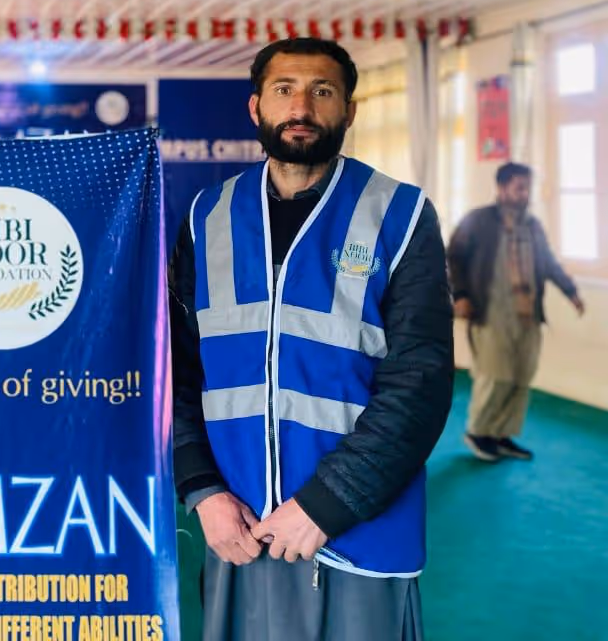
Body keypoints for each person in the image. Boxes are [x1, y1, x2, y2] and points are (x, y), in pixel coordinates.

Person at [170, 38, 454, 641]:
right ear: (256, 107)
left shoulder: (400, 214)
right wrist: (202, 491)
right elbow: (180, 373)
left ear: (349, 110)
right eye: (284, 90)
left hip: (357, 530)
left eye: (322, 91)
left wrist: (326, 505)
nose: (301, 107)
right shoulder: (207, 216)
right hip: (240, 528)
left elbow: (420, 385)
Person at [448, 162, 584, 462]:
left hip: (528, 314)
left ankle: (502, 435)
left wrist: (571, 291)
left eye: (527, 188)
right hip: (491, 313)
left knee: (521, 377)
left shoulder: (532, 226)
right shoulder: (478, 220)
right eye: (519, 187)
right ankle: (479, 432)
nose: (525, 194)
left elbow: (548, 262)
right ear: (501, 187)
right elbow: (453, 257)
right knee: (495, 376)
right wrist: (461, 295)